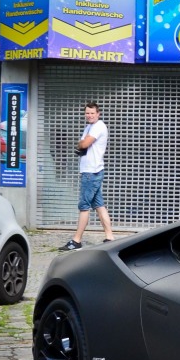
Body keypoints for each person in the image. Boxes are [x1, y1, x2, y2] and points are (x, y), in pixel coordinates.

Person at [62, 102, 115, 250]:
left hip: (91, 172)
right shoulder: (89, 127)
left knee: (84, 206)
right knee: (99, 205)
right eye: (87, 113)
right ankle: (110, 237)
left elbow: (84, 144)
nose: (89, 115)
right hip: (91, 171)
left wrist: (81, 144)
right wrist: (82, 143)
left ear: (98, 114)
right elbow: (83, 143)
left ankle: (76, 240)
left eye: (92, 113)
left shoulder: (98, 126)